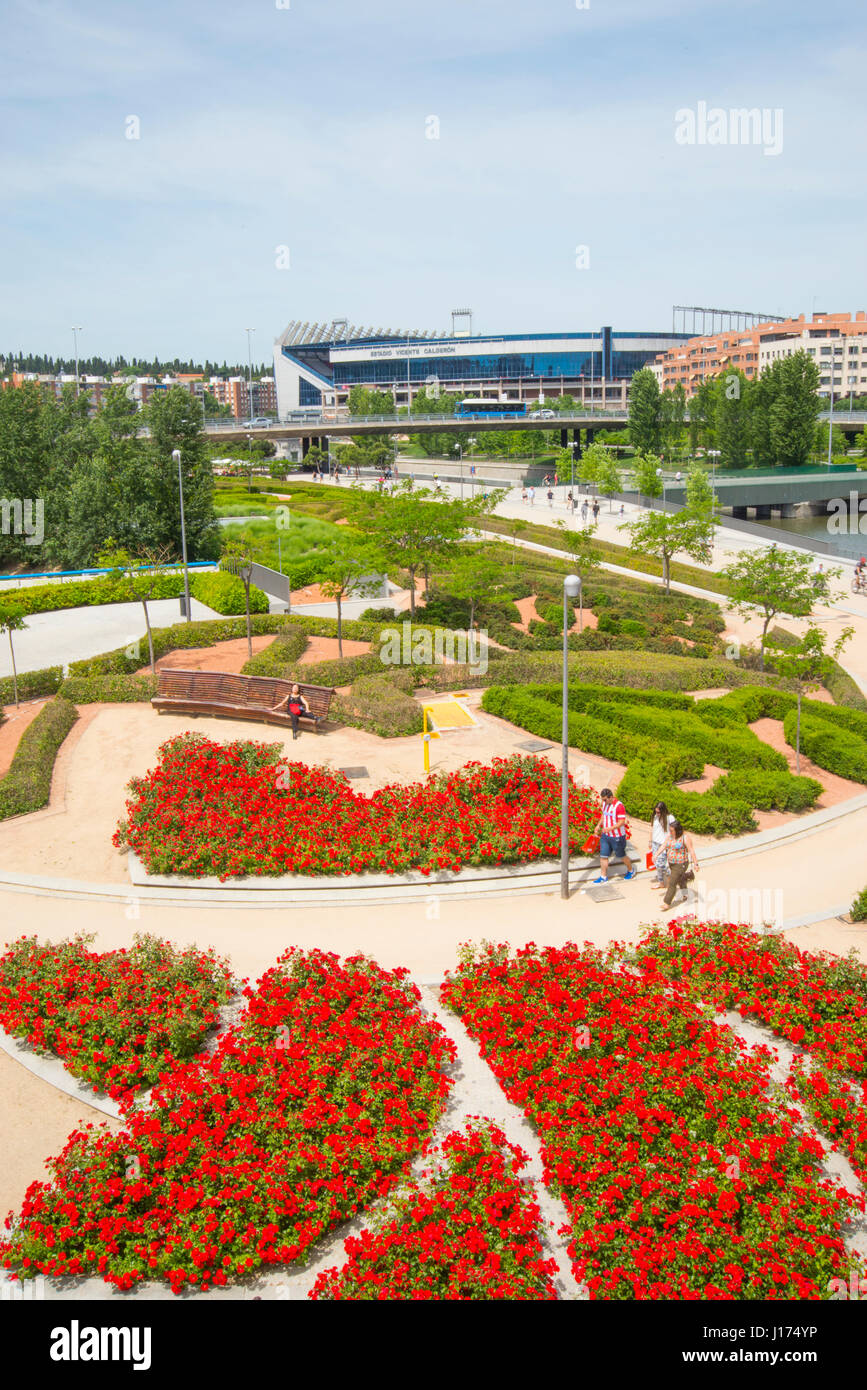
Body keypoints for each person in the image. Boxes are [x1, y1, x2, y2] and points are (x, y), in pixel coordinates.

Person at [591, 788, 635, 884]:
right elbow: (603, 815)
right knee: (603, 856)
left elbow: (621, 822)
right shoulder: (604, 804)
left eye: (605, 799)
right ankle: (603, 876)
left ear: (611, 797)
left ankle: (631, 870)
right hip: (605, 836)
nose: (603, 802)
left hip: (617, 837)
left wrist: (610, 828)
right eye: (602, 799)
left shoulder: (619, 806)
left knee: (621, 856)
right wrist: (598, 825)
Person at [661, 818, 700, 910]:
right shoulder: (670, 837)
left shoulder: (685, 838)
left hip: (681, 863)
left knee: (672, 882)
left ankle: (667, 902)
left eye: (671, 830)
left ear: (677, 830)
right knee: (679, 878)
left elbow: (691, 851)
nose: (669, 832)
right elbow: (664, 845)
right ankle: (685, 894)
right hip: (672, 863)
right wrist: (656, 855)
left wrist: (696, 864)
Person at [649, 802, 671, 889]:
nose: (657, 814)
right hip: (655, 842)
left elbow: (674, 829)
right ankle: (661, 882)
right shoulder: (655, 817)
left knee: (662, 864)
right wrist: (650, 840)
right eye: (656, 812)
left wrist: (668, 841)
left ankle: (670, 882)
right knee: (657, 864)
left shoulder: (669, 818)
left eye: (658, 812)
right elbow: (652, 829)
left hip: (663, 843)